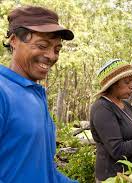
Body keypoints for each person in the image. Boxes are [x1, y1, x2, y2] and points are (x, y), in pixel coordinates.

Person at [0, 6, 77, 183]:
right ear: (14, 40)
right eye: (42, 46)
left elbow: (44, 172)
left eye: (57, 49)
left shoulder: (36, 95)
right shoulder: (3, 91)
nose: (51, 56)